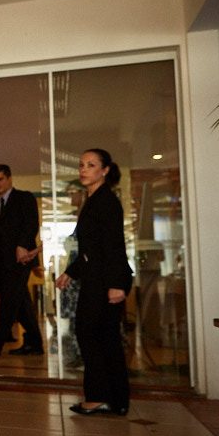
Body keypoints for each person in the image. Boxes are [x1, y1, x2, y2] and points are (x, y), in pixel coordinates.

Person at [56, 149, 132, 416]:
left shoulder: (106, 201)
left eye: (91, 165)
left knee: (90, 335)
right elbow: (93, 248)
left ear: (105, 170)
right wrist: (71, 272)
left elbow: (112, 246)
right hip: (97, 278)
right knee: (105, 338)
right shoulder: (95, 200)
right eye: (81, 165)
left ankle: (99, 396)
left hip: (103, 282)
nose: (83, 169)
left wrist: (116, 284)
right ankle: (115, 400)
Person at [0, 164, 45, 358]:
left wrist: (22, 245)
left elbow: (32, 223)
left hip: (21, 260)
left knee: (10, 301)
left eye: (0, 179)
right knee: (21, 302)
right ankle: (34, 344)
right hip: (1, 264)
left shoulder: (24, 198)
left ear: (9, 179)